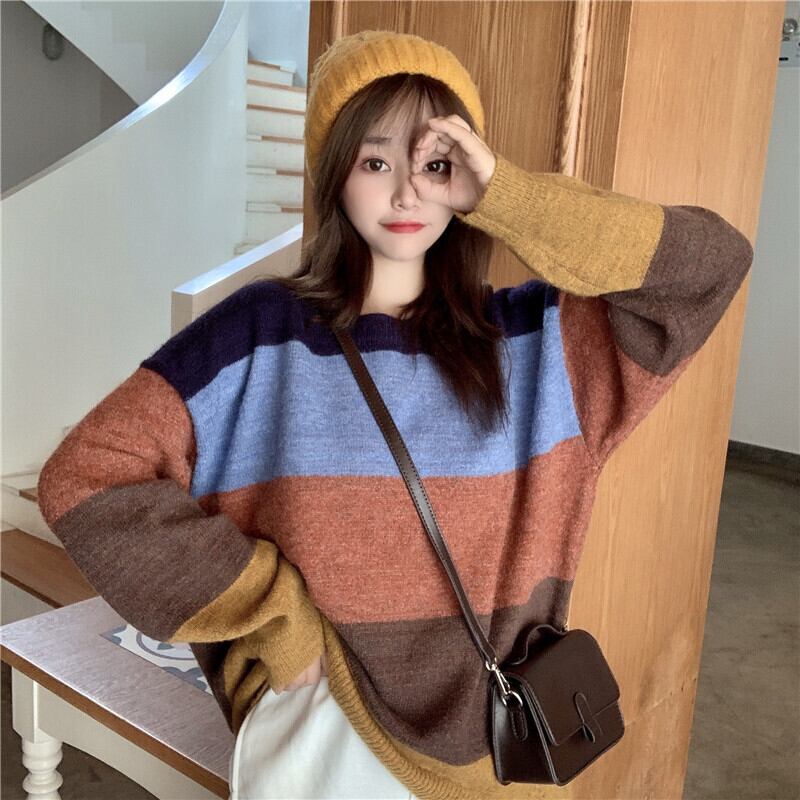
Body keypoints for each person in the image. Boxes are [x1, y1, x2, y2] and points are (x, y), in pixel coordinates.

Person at [35, 28, 754, 800]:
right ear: (336, 171)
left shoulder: (543, 345)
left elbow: (711, 267)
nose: (408, 193)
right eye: (376, 162)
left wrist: (506, 195)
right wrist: (274, 616)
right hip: (325, 737)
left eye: (436, 164)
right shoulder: (258, 335)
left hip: (499, 754)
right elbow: (86, 476)